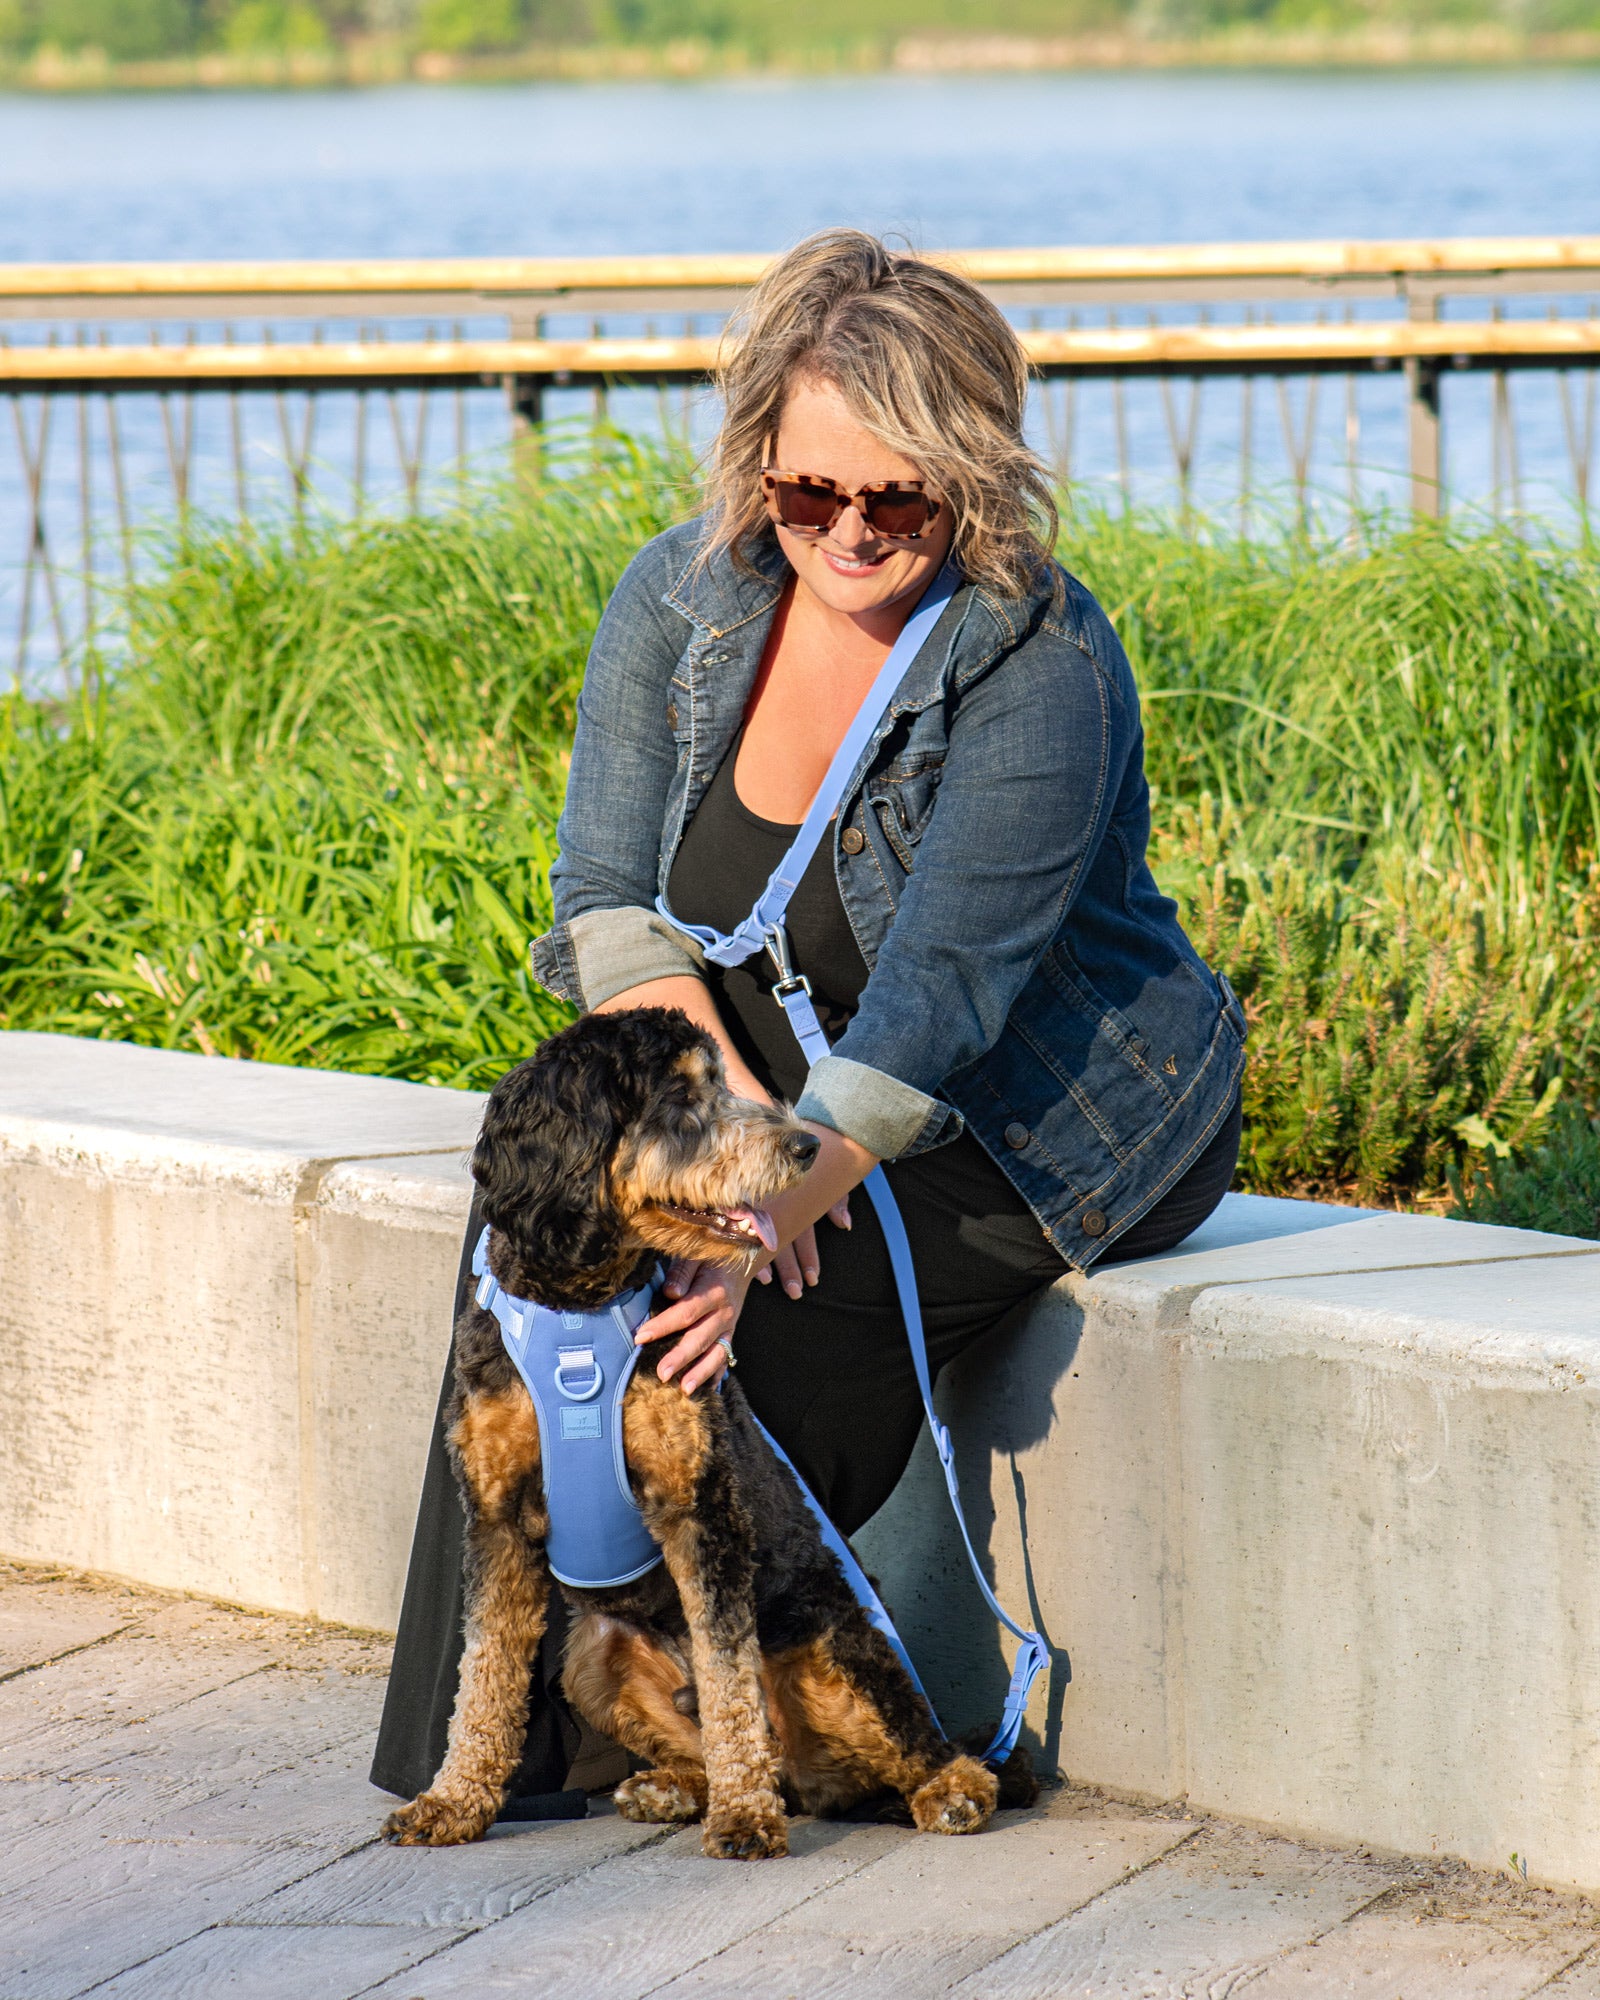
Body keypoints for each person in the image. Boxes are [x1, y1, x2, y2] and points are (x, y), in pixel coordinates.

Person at [371, 228, 1246, 1811]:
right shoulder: (687, 594)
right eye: (807, 491)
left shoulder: (1039, 656)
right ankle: (506, 1737)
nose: (848, 529)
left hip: (1036, 1116)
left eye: (897, 496)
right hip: (773, 1089)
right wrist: (714, 1157)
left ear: (972, 477)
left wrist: (769, 1203)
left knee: (744, 1320)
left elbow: (944, 996)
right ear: (759, 465)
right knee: (534, 1253)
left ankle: (828, 1722)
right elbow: (606, 902)